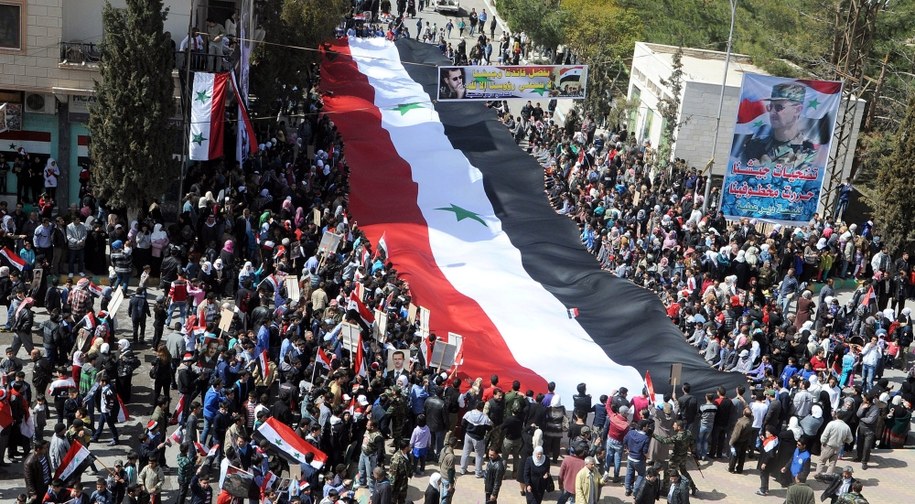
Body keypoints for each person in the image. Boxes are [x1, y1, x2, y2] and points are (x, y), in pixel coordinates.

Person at [739, 82, 820, 170]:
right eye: (770, 106)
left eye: (779, 107)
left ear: (797, 110)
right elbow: (739, 174)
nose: (772, 112)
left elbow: (805, 180)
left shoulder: (809, 150)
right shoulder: (754, 145)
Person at [651, 420, 698, 496]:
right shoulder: (688, 433)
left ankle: (664, 490)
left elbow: (664, 441)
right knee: (684, 472)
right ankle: (693, 486)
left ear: (679, 427)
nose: (673, 426)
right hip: (683, 456)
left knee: (667, 472)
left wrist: (653, 435)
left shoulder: (677, 437)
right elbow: (692, 443)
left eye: (674, 425)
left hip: (676, 458)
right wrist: (693, 451)